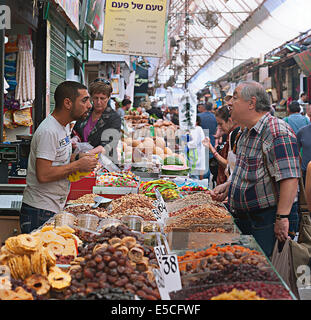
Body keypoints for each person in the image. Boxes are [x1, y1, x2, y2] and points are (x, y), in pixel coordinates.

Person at [211, 81, 300, 258]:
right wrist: (229, 186)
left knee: (263, 268)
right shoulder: (246, 133)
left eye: (235, 98)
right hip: (247, 219)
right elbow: (249, 173)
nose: (229, 103)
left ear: (251, 103)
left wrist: (282, 218)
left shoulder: (276, 131)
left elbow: (289, 178)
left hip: (266, 220)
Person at [20, 81, 99, 233]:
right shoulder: (49, 131)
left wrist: (77, 158)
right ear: (68, 103)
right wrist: (78, 166)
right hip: (39, 210)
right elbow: (43, 174)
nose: (89, 105)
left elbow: (59, 160)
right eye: (84, 100)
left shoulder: (63, 127)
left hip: (53, 206)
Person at [72, 79, 121, 161]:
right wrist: (75, 139)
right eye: (95, 98)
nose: (98, 102)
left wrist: (85, 154)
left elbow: (108, 145)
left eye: (102, 98)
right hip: (81, 161)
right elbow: (76, 131)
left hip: (103, 163)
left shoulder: (114, 118)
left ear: (108, 98)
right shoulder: (85, 113)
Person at [202, 106, 239, 186]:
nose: (219, 127)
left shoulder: (234, 135)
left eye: (220, 124)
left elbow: (228, 165)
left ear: (229, 120)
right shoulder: (229, 134)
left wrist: (211, 148)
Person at [197, 102, 218, 181]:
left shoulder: (199, 116)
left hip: (201, 143)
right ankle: (206, 183)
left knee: (203, 163)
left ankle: (203, 182)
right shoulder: (215, 117)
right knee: (208, 163)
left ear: (204, 107)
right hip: (211, 142)